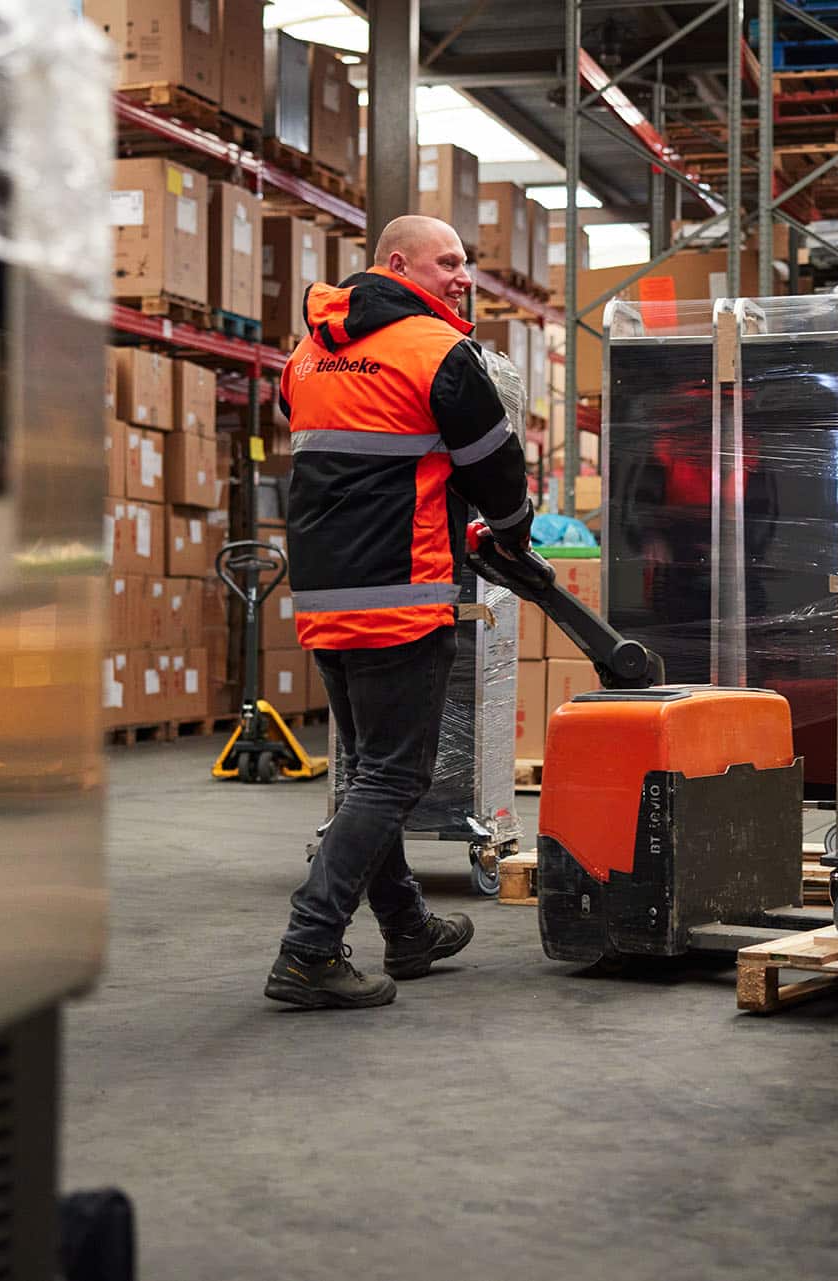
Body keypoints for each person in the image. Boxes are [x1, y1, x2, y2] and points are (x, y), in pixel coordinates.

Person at [264, 215, 533, 1010]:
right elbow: (497, 469)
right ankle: (309, 945)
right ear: (397, 265)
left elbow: (346, 453)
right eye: (447, 263)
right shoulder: (438, 354)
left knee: (364, 769)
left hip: (325, 597)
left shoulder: (306, 357)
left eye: (466, 263)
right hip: (400, 595)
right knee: (394, 774)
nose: (463, 277)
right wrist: (514, 538)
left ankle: (407, 927)